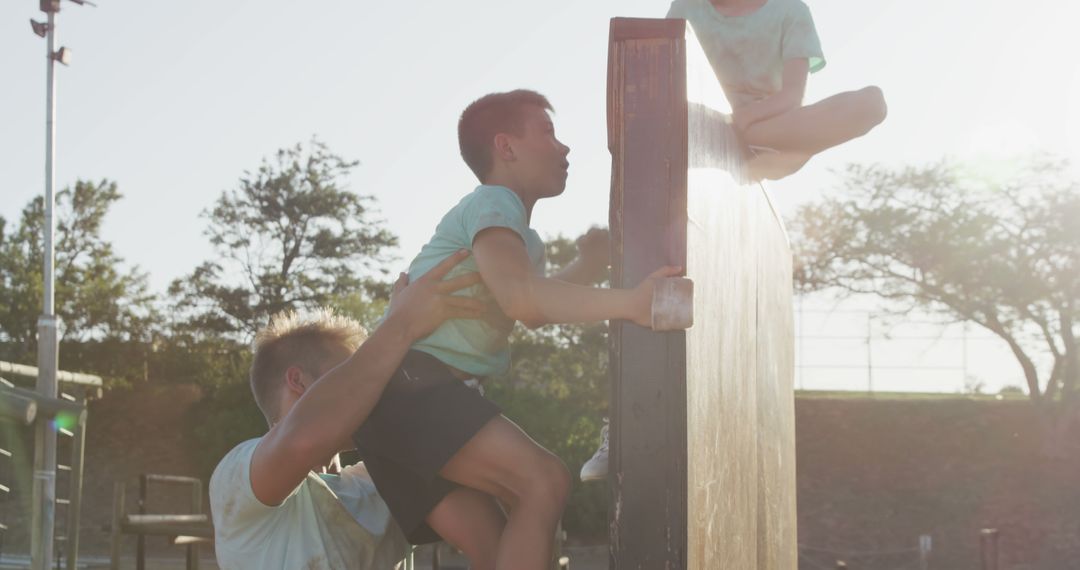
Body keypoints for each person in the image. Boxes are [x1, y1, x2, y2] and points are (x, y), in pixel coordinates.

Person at [349, 89, 681, 570]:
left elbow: (531, 296)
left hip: (399, 406)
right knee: (544, 480)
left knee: (502, 550)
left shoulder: (520, 237)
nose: (564, 148)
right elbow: (524, 300)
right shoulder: (493, 201)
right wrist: (633, 303)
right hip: (414, 389)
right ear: (505, 147)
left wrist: (586, 265)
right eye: (547, 133)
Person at [209, 250, 493, 570]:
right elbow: (302, 440)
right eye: (348, 372)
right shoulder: (236, 476)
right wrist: (401, 324)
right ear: (298, 381)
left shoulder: (382, 480)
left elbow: (493, 544)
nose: (372, 387)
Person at [667, 0, 887, 181]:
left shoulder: (791, 12)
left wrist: (739, 120)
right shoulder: (686, 8)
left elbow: (792, 97)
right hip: (697, 120)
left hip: (762, 128)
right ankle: (779, 152)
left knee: (871, 102)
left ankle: (772, 153)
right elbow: (664, 76)